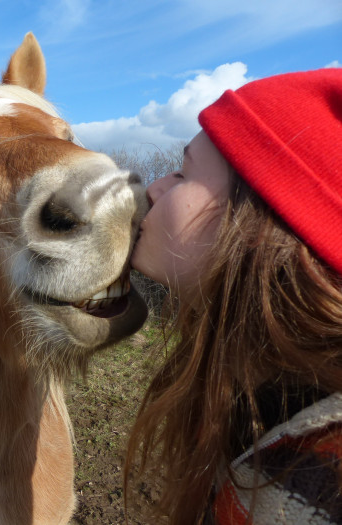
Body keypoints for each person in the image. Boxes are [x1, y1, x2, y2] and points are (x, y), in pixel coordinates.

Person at [126, 68, 342, 524]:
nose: (154, 187)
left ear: (258, 230)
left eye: (182, 173)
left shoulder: (308, 490)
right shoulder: (259, 400)